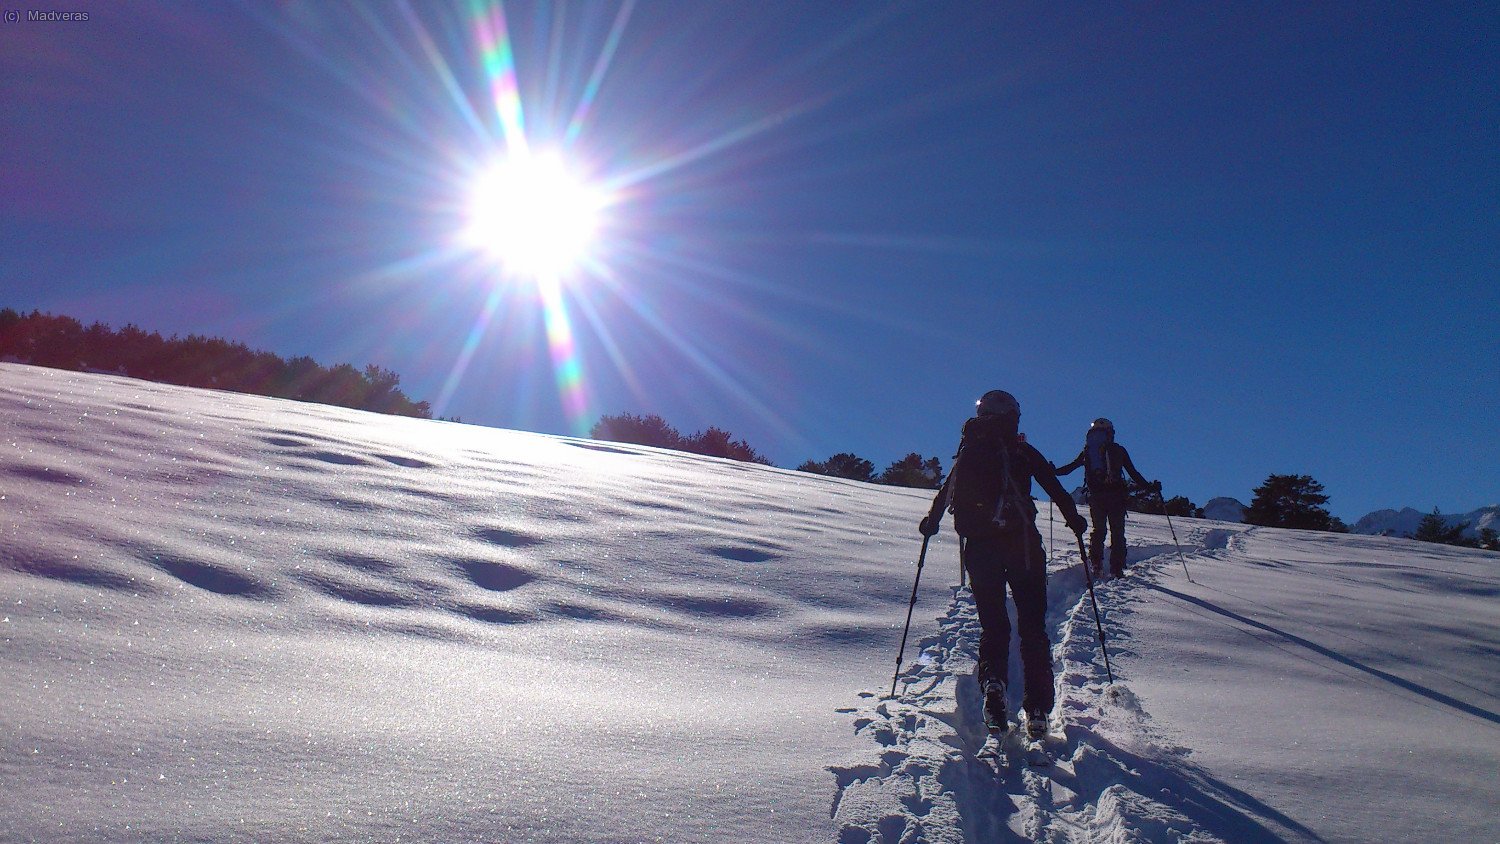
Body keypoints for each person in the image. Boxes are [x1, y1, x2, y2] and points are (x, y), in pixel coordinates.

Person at [919, 390, 1087, 739]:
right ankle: (1037, 707)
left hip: (979, 551)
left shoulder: (969, 452)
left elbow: (947, 491)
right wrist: (1076, 522)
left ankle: (993, 684)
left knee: (994, 626)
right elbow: (1054, 487)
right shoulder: (1021, 450)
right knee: (1032, 628)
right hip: (1022, 547)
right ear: (1013, 415)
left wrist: (931, 522)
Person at [1053, 418, 1158, 578]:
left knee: (1098, 530)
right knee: (1117, 532)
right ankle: (1116, 568)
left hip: (1096, 497)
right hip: (1117, 497)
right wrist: (1150, 487)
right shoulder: (1118, 450)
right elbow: (1133, 473)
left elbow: (1070, 468)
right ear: (1110, 433)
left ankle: (1096, 564)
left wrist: (1053, 471)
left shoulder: (1088, 451)